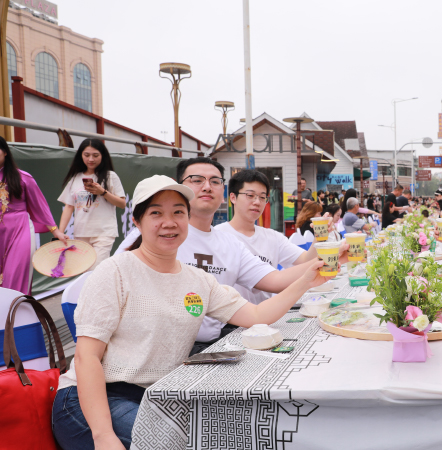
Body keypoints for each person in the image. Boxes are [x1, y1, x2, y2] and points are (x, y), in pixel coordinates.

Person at [51, 175, 329, 450]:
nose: (169, 222)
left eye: (178, 212)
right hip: (91, 399)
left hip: (159, 395)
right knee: (181, 443)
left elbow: (256, 316)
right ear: (137, 222)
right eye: (156, 213)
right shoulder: (115, 271)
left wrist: (306, 281)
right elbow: (87, 358)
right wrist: (103, 436)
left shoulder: (198, 280)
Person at [115, 157, 346, 354]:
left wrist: (323, 263)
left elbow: (273, 281)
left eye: (215, 181)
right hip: (151, 352)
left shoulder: (229, 244)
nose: (207, 187)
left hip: (211, 345)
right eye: (197, 180)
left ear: (223, 192)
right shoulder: (153, 237)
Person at [216, 170, 335, 303]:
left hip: (266, 312)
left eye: (262, 197)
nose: (257, 202)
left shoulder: (272, 237)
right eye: (250, 195)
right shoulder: (218, 236)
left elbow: (306, 261)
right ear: (233, 197)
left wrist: (319, 237)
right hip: (229, 320)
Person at [0, 137, 68, 294]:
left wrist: (56, 232)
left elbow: (40, 206)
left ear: (4, 151)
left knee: (15, 276)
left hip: (20, 229)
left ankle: (18, 314)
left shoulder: (23, 177)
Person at [58, 139, 126, 269]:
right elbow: (69, 206)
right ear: (81, 156)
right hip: (81, 233)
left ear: (102, 156)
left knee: (95, 270)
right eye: (86, 155)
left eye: (95, 155)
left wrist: (103, 192)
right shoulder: (75, 178)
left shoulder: (110, 176)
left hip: (104, 232)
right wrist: (60, 232)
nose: (91, 159)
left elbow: (122, 203)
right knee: (84, 271)